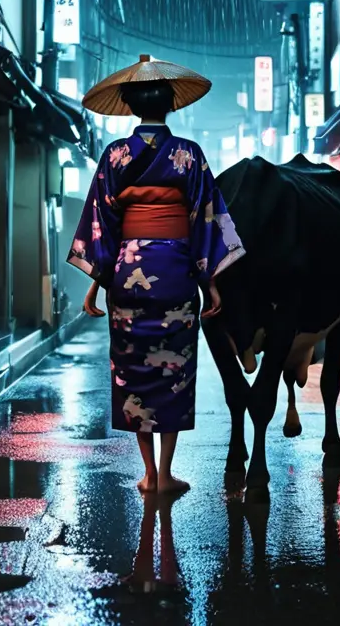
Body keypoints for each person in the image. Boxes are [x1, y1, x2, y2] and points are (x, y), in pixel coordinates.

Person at [68, 55, 245, 494]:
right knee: (174, 373)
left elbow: (101, 225)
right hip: (177, 272)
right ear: (170, 105)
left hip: (127, 274)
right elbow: (207, 219)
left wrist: (96, 282)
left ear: (129, 105)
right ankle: (166, 473)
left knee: (133, 371)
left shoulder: (115, 155)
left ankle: (147, 473)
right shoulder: (188, 154)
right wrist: (212, 282)